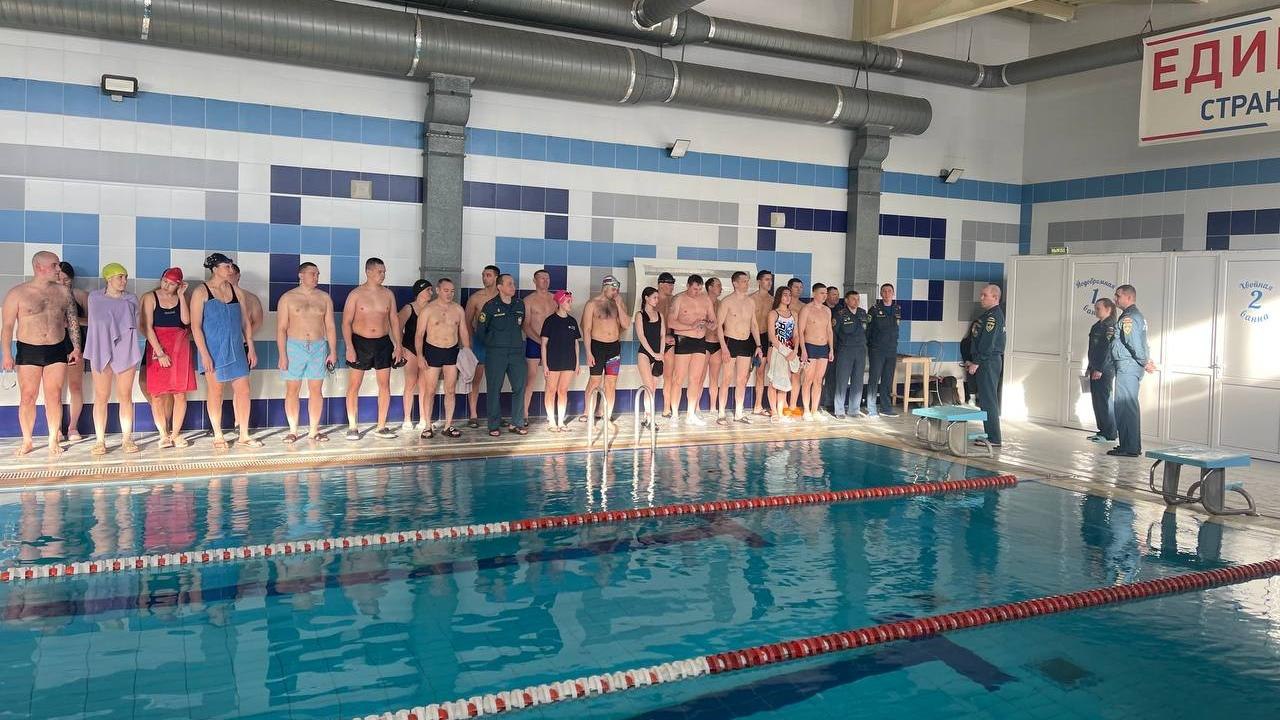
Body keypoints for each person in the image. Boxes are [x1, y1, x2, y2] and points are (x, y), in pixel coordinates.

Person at [2, 252, 81, 457]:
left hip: (57, 348)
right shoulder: (17, 293)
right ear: (39, 267)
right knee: (28, 396)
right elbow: (7, 327)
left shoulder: (64, 292)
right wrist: (7, 355)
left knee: (54, 396)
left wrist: (76, 347)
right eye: (54, 265)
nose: (58, 269)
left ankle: (53, 439)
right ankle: (27, 440)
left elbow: (73, 321)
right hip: (29, 349)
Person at [191, 252, 260, 449]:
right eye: (226, 266)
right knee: (216, 391)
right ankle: (218, 435)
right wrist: (204, 354)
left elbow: (245, 323)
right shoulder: (201, 292)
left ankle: (244, 435)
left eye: (231, 266)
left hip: (237, 348)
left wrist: (251, 347)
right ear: (215, 269)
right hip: (213, 350)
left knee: (244, 390)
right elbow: (196, 326)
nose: (230, 269)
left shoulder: (236, 292)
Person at [342, 258, 404, 440]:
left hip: (383, 343)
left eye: (384, 272)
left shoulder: (388, 294)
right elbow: (346, 322)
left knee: (384, 385)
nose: (383, 275)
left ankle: (381, 426)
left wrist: (398, 345)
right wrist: (349, 347)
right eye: (379, 272)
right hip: (360, 342)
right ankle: (352, 426)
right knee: (354, 385)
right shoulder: (356, 294)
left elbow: (394, 321)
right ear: (368, 272)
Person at [85, 263, 143, 455]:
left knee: (125, 395)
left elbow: (135, 322)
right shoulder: (94, 297)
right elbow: (97, 323)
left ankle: (127, 438)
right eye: (120, 277)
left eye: (125, 277)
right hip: (101, 347)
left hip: (125, 348)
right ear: (108, 279)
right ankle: (99, 440)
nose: (124, 281)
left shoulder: (131, 299)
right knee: (101, 395)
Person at [277, 262, 337, 443]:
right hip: (294, 347)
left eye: (317, 274)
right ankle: (293, 430)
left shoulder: (324, 298)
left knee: (316, 390)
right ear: (301, 275)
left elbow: (330, 326)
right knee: (292, 389)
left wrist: (333, 351)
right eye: (313, 274)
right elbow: (281, 328)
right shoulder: (287, 298)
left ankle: (313, 430)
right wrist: (282, 355)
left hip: (318, 347)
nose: (316, 277)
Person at [140, 267, 196, 448]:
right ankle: (163, 434)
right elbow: (147, 327)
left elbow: (186, 321)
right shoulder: (150, 298)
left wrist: (181, 296)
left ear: (178, 285)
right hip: (158, 347)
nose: (166, 286)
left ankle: (176, 434)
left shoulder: (181, 298)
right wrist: (160, 352)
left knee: (180, 393)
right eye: (165, 281)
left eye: (172, 284)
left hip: (179, 347)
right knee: (157, 394)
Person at [415, 278, 469, 439]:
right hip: (433, 351)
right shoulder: (428, 310)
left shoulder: (458, 309)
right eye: (446, 290)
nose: (449, 294)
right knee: (430, 390)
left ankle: (448, 426)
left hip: (452, 351)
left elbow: (463, 331)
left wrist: (467, 353)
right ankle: (427, 426)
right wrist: (420, 356)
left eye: (452, 291)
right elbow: (419, 335)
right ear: (438, 290)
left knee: (450, 390)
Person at [475, 273, 527, 436]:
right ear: (499, 287)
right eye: (509, 284)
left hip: (516, 353)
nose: (513, 287)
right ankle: (493, 425)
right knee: (494, 388)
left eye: (513, 284)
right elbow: (481, 330)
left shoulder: (519, 304)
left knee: (519, 387)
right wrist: (493, 343)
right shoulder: (490, 306)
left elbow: (521, 325)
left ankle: (516, 423)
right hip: (496, 353)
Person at [1109, 284, 1157, 457]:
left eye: (1118, 296)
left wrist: (1145, 361)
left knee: (1126, 406)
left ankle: (1130, 447)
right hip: (1128, 365)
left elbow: (1134, 342)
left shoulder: (1130, 317)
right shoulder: (1133, 316)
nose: (1115, 299)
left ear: (1128, 297)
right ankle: (1127, 444)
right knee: (1123, 406)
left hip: (1128, 366)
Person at [667, 274, 717, 426]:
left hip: (700, 341)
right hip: (683, 340)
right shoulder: (679, 299)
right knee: (678, 378)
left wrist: (709, 324)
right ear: (688, 286)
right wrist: (691, 326)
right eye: (695, 289)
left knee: (695, 379)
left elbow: (714, 322)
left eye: (700, 289)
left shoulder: (705, 300)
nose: (697, 292)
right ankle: (675, 414)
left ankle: (690, 414)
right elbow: (671, 322)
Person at [581, 275, 630, 425]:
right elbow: (586, 329)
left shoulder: (618, 304)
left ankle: (605, 414)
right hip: (597, 347)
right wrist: (588, 352)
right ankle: (587, 412)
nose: (616, 293)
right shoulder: (592, 304)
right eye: (613, 290)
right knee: (595, 381)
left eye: (617, 290)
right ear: (605, 288)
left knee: (611, 382)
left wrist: (619, 305)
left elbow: (626, 324)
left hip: (614, 348)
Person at [716, 270, 763, 425]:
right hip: (731, 341)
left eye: (747, 281)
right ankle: (721, 413)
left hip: (745, 342)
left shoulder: (750, 302)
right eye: (743, 281)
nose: (746, 284)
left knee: (742, 379)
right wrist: (724, 347)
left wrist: (758, 345)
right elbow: (719, 326)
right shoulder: (727, 302)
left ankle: (738, 413)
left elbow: (754, 325)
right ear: (735, 283)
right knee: (727, 378)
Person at [966, 284, 1006, 447]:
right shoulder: (988, 314)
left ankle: (994, 438)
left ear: (995, 298)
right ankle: (990, 433)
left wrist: (977, 362)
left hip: (988, 361)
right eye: (981, 295)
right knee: (985, 399)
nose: (981, 298)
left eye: (985, 295)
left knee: (989, 400)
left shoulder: (993, 317)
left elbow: (987, 343)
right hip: (986, 360)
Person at [464, 265, 500, 428]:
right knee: (476, 378)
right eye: (483, 275)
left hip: (498, 344)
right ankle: (473, 414)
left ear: (496, 278)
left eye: (488, 275)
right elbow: (466, 322)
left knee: (496, 379)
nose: (485, 278)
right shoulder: (476, 298)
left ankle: (495, 414)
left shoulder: (504, 297)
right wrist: (471, 342)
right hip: (480, 342)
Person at [56, 261, 88, 442]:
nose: (62, 283)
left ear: (72, 279)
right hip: (54, 344)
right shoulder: (49, 295)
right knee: (55, 389)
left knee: (75, 386)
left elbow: (92, 321)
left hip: (75, 345)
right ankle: (56, 428)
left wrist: (73, 321)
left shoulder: (80, 295)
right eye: (59, 279)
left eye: (66, 280)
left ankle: (73, 427)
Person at [540, 289, 581, 432]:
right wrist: (545, 365)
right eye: (568, 301)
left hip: (568, 361)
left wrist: (577, 363)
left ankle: (561, 421)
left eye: (570, 301)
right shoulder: (550, 321)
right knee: (551, 391)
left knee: (563, 391)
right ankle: (552, 421)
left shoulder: (572, 321)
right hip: (553, 361)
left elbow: (576, 344)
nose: (570, 304)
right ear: (560, 302)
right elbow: (543, 344)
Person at [522, 269, 558, 426]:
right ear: (534, 281)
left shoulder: (555, 299)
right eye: (542, 278)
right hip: (534, 342)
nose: (545, 280)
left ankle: (550, 415)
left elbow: (559, 320)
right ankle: (524, 413)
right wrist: (540, 341)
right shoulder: (528, 300)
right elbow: (525, 325)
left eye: (547, 278)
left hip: (552, 344)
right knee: (530, 378)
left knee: (551, 380)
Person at [398, 279, 433, 431]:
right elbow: (397, 327)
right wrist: (399, 346)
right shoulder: (409, 308)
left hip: (427, 350)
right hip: (410, 349)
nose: (431, 292)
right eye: (428, 290)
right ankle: (407, 418)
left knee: (424, 385)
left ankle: (423, 418)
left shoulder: (432, 308)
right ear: (420, 292)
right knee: (410, 383)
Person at [796, 282, 834, 421]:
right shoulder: (806, 309)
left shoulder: (827, 310)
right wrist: (803, 350)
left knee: (818, 380)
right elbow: (800, 331)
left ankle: (814, 410)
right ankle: (806, 410)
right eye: (822, 293)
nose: (825, 296)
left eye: (826, 293)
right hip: (810, 347)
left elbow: (829, 331)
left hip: (823, 347)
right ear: (814, 293)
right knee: (808, 379)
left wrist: (831, 349)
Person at [865, 283, 902, 418]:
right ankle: (871, 408)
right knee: (874, 378)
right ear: (880, 294)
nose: (887, 294)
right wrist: (872, 346)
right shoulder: (874, 310)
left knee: (887, 379)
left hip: (891, 349)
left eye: (889, 291)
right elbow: (867, 330)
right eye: (884, 291)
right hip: (877, 349)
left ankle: (886, 408)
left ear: (893, 293)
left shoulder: (897, 309)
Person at [831, 290, 868, 419]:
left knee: (858, 381)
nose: (856, 301)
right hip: (845, 350)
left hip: (860, 350)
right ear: (846, 300)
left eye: (858, 299)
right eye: (853, 299)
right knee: (842, 381)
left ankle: (854, 410)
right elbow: (834, 334)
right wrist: (836, 349)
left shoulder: (863, 313)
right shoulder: (840, 314)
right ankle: (839, 410)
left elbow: (867, 331)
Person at [1086, 297, 1118, 445]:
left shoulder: (1110, 326)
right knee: (1097, 400)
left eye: (1098, 308)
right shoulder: (1096, 326)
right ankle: (1102, 430)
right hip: (1095, 367)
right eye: (1095, 308)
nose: (1096, 311)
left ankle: (1110, 433)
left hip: (1105, 369)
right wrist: (1090, 367)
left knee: (1105, 400)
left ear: (1108, 309)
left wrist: (1100, 368)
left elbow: (1107, 350)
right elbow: (1093, 349)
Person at [766, 286, 799, 421]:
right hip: (776, 350)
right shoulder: (773, 314)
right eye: (785, 295)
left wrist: (795, 350)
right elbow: (772, 337)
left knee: (784, 382)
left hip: (790, 351)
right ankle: (774, 412)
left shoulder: (794, 314)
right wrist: (784, 351)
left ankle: (780, 412)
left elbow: (796, 334)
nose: (788, 297)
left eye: (789, 295)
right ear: (779, 296)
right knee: (773, 381)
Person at [634, 286, 666, 427]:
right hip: (645, 354)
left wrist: (661, 353)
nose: (657, 300)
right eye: (654, 297)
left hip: (658, 354)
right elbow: (641, 336)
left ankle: (646, 415)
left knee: (653, 387)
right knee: (648, 386)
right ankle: (649, 417)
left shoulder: (660, 315)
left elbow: (663, 335)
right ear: (646, 298)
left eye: (657, 298)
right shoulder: (640, 315)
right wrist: (653, 354)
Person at [750, 270, 774, 417]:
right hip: (750, 338)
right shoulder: (751, 299)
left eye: (770, 279)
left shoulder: (773, 300)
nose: (769, 282)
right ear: (759, 281)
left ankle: (758, 406)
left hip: (765, 338)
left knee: (761, 372)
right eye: (766, 279)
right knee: (745, 372)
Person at [703, 277, 727, 423]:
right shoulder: (701, 302)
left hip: (717, 344)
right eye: (718, 285)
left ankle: (713, 407)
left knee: (714, 377)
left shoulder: (721, 304)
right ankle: (696, 407)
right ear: (710, 287)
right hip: (703, 343)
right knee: (698, 378)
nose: (721, 288)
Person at [654, 271, 677, 416]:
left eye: (673, 284)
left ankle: (666, 408)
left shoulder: (674, 300)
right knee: (653, 378)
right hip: (655, 344)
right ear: (661, 284)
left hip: (670, 342)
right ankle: (648, 411)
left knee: (669, 377)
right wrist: (661, 339)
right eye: (669, 284)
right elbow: (646, 325)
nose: (672, 287)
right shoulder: (653, 300)